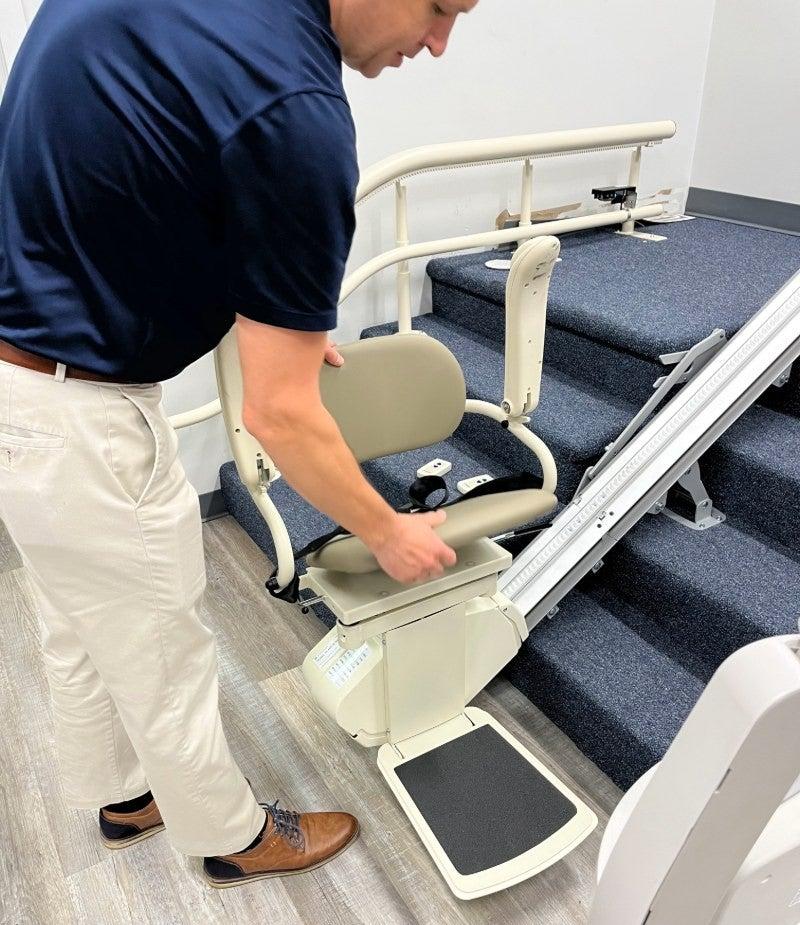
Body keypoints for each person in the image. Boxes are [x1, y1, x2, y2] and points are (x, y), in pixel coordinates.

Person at [0, 0, 478, 890]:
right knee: (163, 642)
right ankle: (230, 835)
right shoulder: (294, 108)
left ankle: (123, 791)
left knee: (80, 619)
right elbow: (281, 416)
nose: (438, 44)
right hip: (78, 415)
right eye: (441, 7)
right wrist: (386, 529)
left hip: (22, 379)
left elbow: (138, 179)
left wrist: (278, 328)